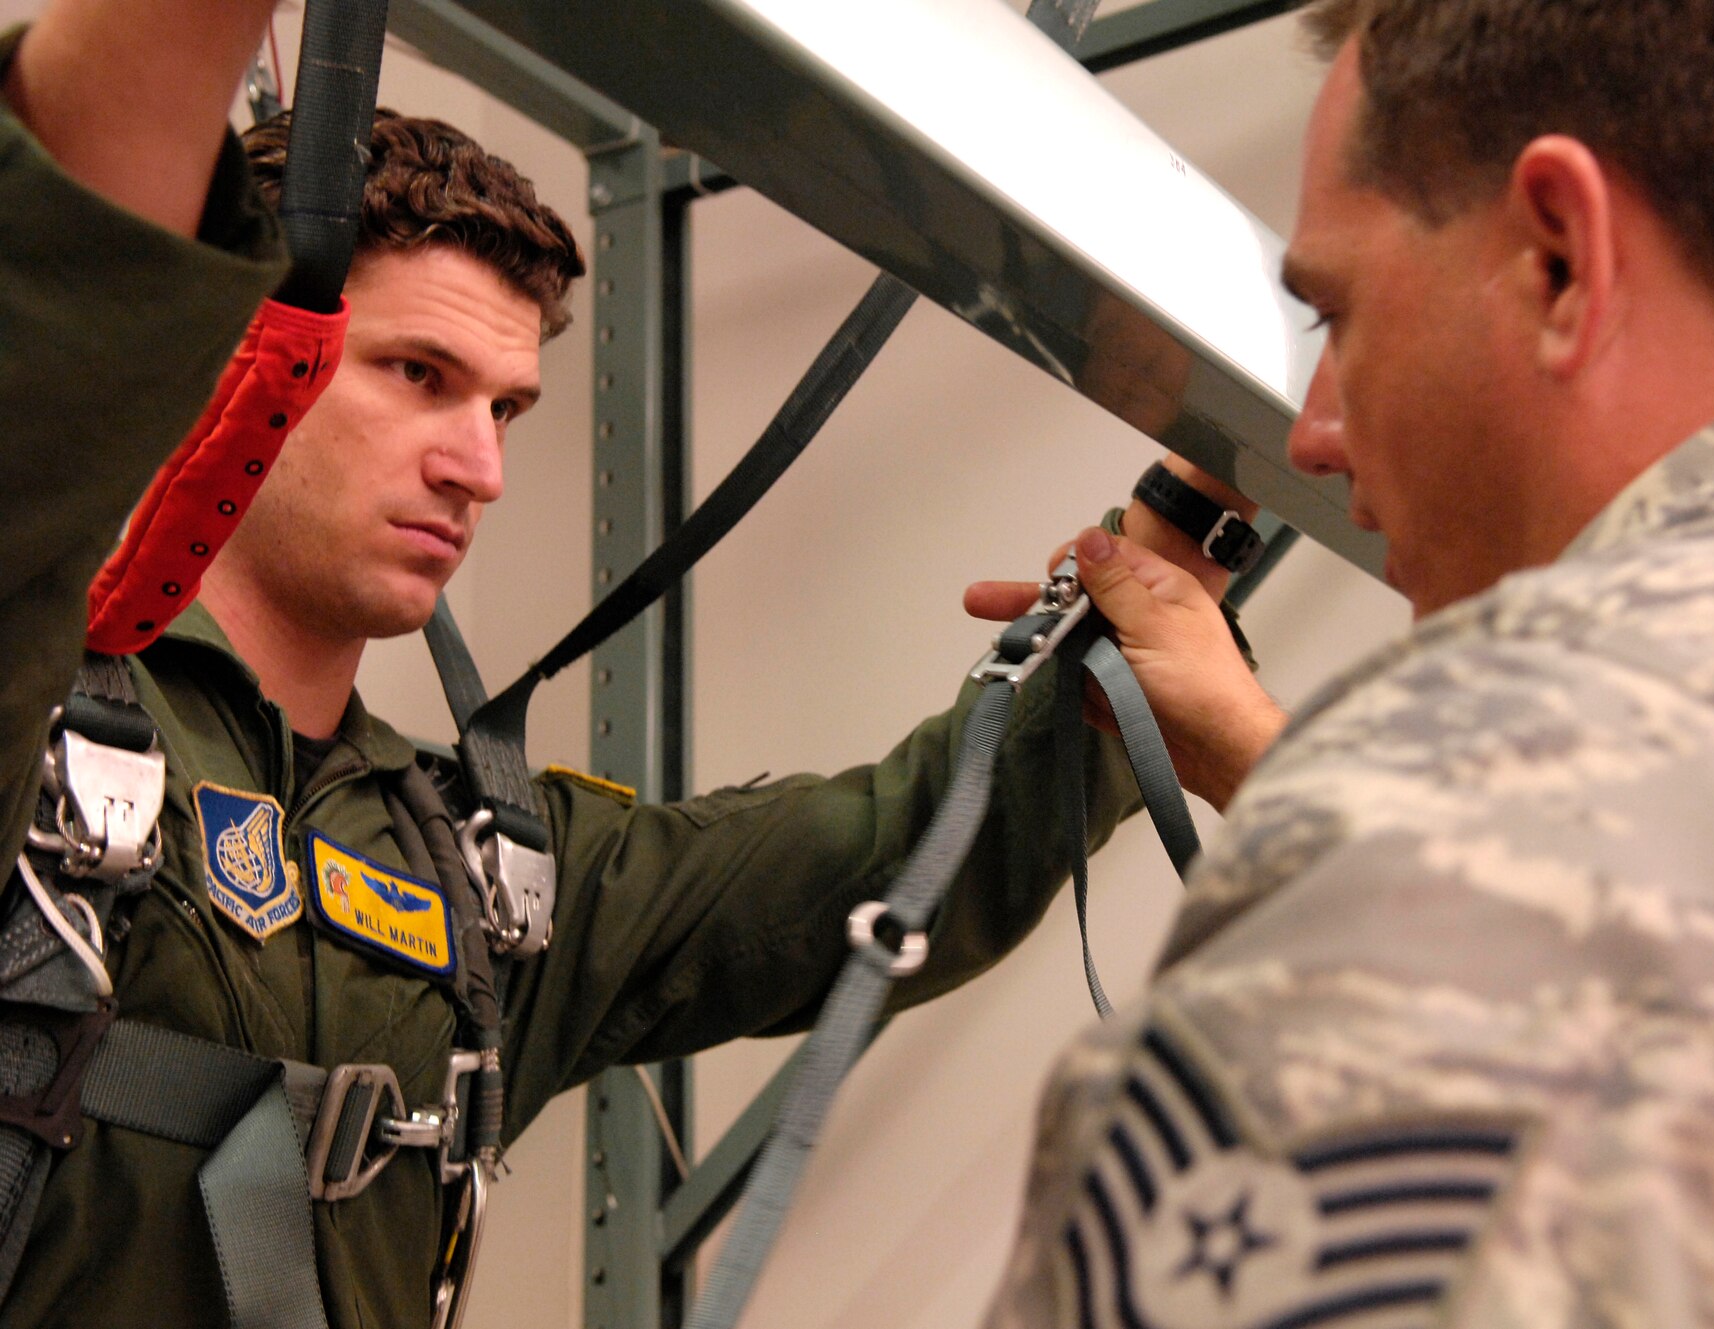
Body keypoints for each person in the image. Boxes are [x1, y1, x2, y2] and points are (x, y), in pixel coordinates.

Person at [0, 10, 1263, 1325]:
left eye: (504, 409)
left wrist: (1182, 540)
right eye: (417, 374)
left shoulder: (483, 878)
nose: (476, 466)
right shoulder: (32, 727)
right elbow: (67, 291)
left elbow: (894, 860)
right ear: (246, 366)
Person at [974, 0, 1714, 1324]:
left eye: (1336, 314)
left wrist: (1389, 816)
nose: (1322, 433)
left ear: (1561, 260)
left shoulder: (1511, 771)